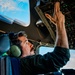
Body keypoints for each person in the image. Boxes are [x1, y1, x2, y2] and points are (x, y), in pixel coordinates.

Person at [8, 1, 70, 75]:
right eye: (26, 42)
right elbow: (61, 56)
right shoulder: (21, 65)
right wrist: (60, 23)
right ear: (16, 50)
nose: (32, 45)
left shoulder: (13, 67)